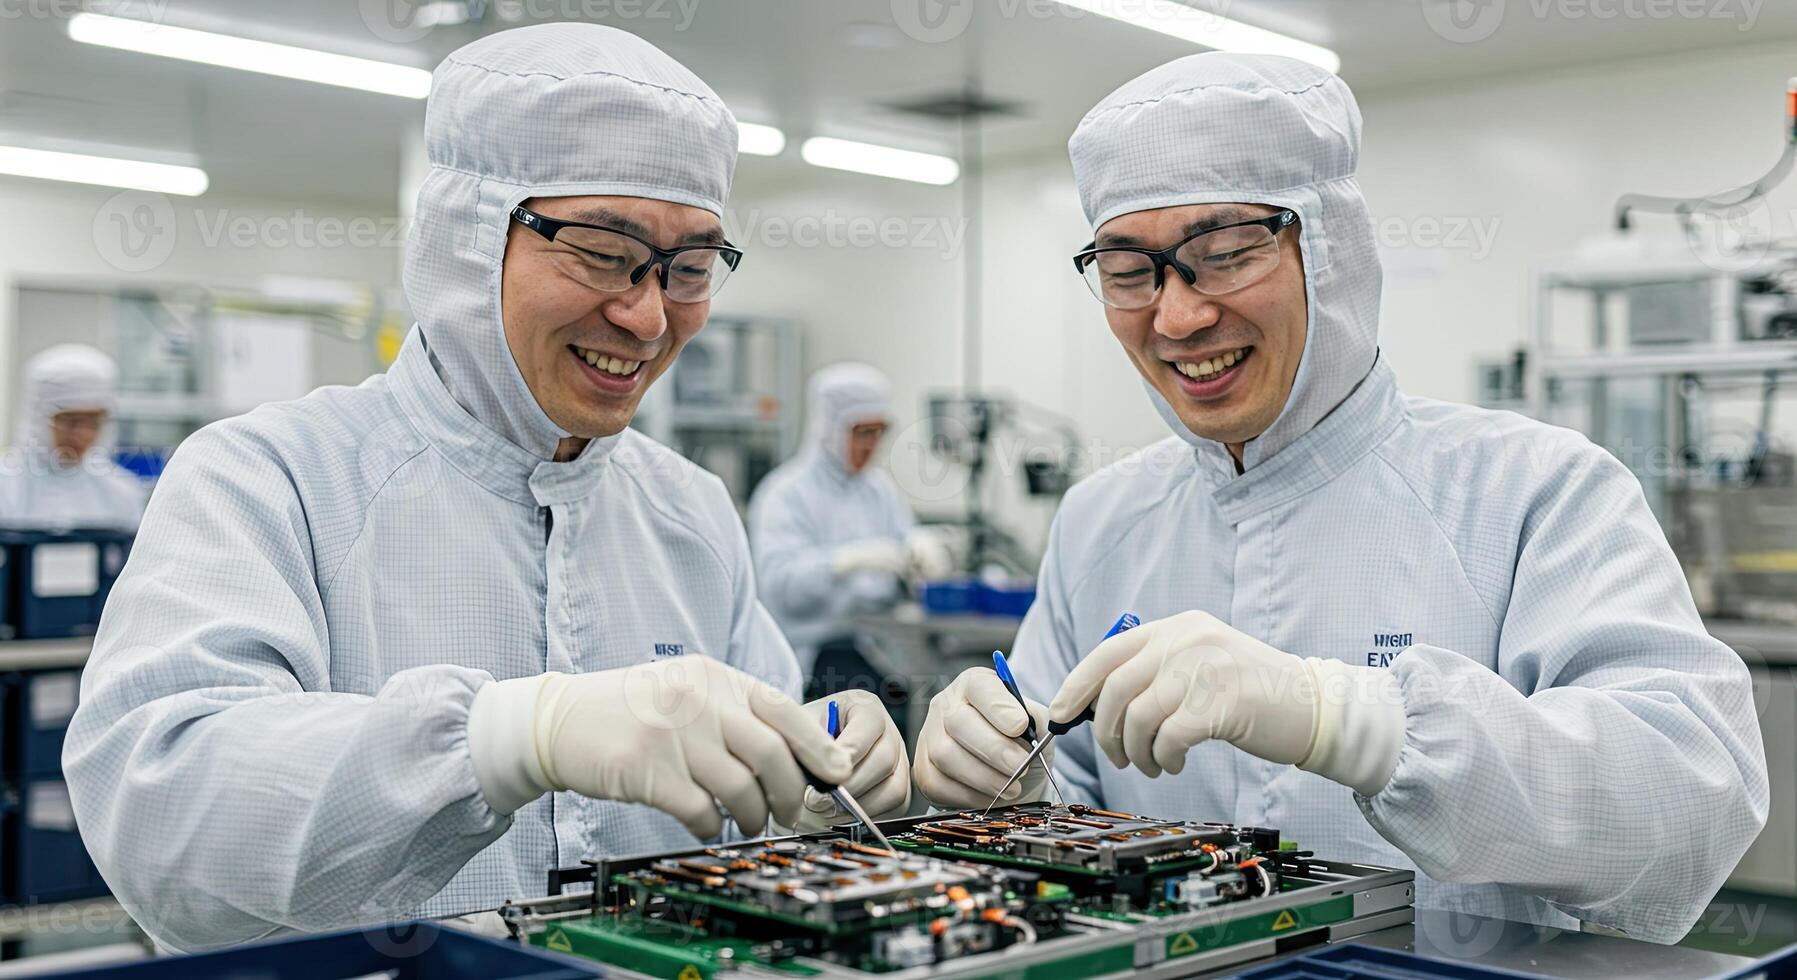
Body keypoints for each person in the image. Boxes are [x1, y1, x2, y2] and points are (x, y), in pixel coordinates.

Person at [64, 24, 908, 953]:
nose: (648, 313)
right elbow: (159, 825)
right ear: (467, 240)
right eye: (600, 250)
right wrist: (501, 738)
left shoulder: (692, 513)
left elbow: (752, 821)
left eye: (692, 267)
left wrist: (821, 785)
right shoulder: (272, 479)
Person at [912, 52, 1767, 943]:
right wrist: (1014, 786)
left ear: (1332, 252)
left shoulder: (1533, 490)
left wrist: (1358, 723)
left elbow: (1690, 811)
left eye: (1223, 255)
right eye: (1131, 272)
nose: (1176, 318)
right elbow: (1073, 809)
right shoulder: (1100, 521)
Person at [748, 363, 951, 707]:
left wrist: (920, 555)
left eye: (878, 433)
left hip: (878, 644)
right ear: (829, 429)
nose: (871, 445)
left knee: (942, 696)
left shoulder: (879, 490)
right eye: (861, 432)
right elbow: (779, 587)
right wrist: (842, 562)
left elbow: (903, 550)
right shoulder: (785, 493)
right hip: (816, 653)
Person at [0, 344, 146, 530]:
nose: (83, 435)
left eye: (94, 421)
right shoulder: (6, 488)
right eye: (71, 421)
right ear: (37, 419)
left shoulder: (122, 493)